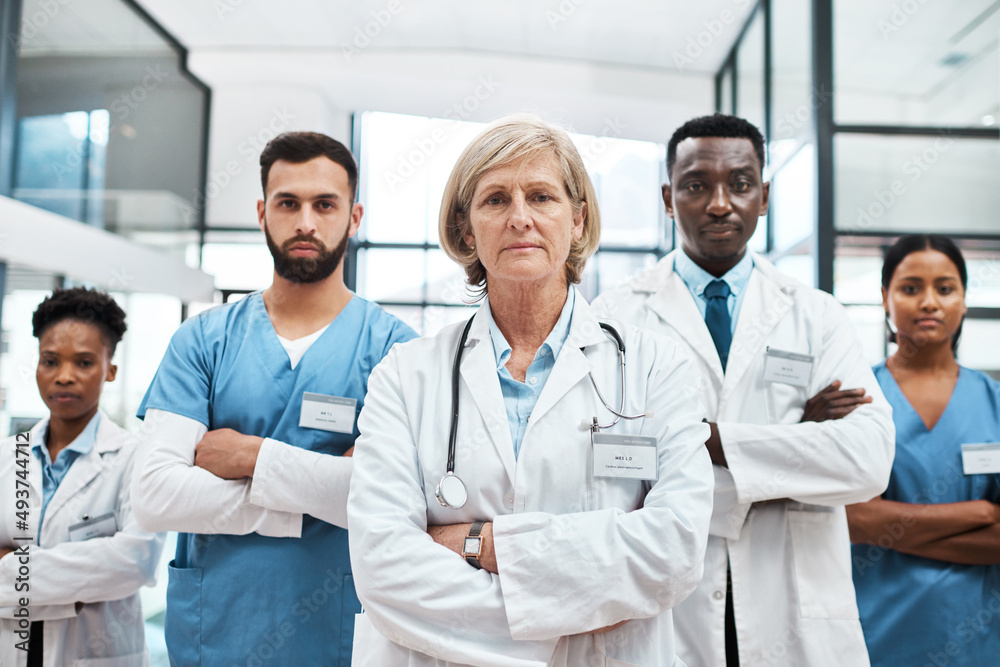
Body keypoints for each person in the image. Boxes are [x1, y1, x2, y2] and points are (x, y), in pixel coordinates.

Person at [347, 114, 714, 667]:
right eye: (495, 200)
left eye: (541, 196)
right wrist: (574, 611)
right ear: (467, 230)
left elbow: (674, 550)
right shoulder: (404, 375)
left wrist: (477, 543)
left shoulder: (654, 367)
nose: (520, 217)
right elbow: (384, 570)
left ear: (577, 219)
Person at [591, 113, 895, 667]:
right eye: (695, 185)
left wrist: (704, 440)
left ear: (765, 196)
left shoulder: (816, 314)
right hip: (670, 605)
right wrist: (795, 446)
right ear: (668, 198)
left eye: (740, 183)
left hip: (796, 611)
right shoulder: (615, 316)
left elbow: (868, 461)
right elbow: (610, 467)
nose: (719, 204)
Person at [131, 132, 416, 666]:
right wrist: (316, 495)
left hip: (336, 635)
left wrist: (250, 456)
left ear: (354, 218)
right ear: (263, 213)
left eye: (324, 204)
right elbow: (154, 495)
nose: (305, 222)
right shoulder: (203, 341)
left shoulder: (396, 350)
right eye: (288, 203)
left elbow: (390, 499)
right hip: (215, 633)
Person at [847, 234, 1000, 666]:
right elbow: (852, 521)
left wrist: (888, 528)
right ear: (885, 297)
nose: (929, 302)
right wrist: (980, 513)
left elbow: (870, 523)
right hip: (874, 637)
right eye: (911, 288)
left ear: (964, 300)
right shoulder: (856, 400)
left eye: (945, 288)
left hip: (976, 641)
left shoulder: (994, 402)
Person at [0, 287, 165, 667]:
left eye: (84, 362)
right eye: (50, 361)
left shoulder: (136, 458)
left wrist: (10, 569)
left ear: (110, 370)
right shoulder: (7, 457)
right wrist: (75, 590)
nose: (64, 377)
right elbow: (106, 568)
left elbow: (135, 562)